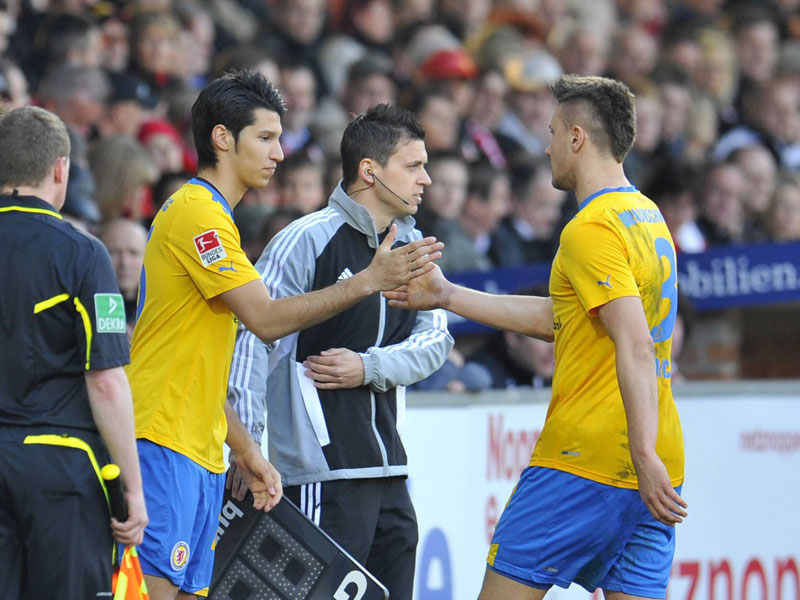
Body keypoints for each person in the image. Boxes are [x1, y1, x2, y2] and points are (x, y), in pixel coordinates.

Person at [127, 71, 442, 599]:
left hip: (201, 442)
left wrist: (246, 450)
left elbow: (205, 361)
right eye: (266, 137)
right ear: (223, 139)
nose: (279, 151)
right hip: (163, 438)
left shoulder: (218, 219)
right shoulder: (197, 216)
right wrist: (369, 281)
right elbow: (266, 323)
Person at [384, 74, 688, 600]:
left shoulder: (589, 228)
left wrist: (639, 453)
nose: (544, 146)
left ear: (577, 138)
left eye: (551, 132)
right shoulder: (648, 217)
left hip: (585, 458)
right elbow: (565, 318)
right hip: (659, 459)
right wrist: (449, 295)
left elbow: (634, 343)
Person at [228, 103, 454, 600]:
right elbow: (251, 340)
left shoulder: (413, 244)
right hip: (316, 475)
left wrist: (369, 367)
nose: (427, 180)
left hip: (390, 471)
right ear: (369, 171)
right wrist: (244, 448)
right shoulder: (304, 240)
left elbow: (437, 340)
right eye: (414, 166)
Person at [0, 106, 147, 599]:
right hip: (60, 465)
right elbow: (105, 379)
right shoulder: (82, 252)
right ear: (61, 169)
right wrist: (133, 489)